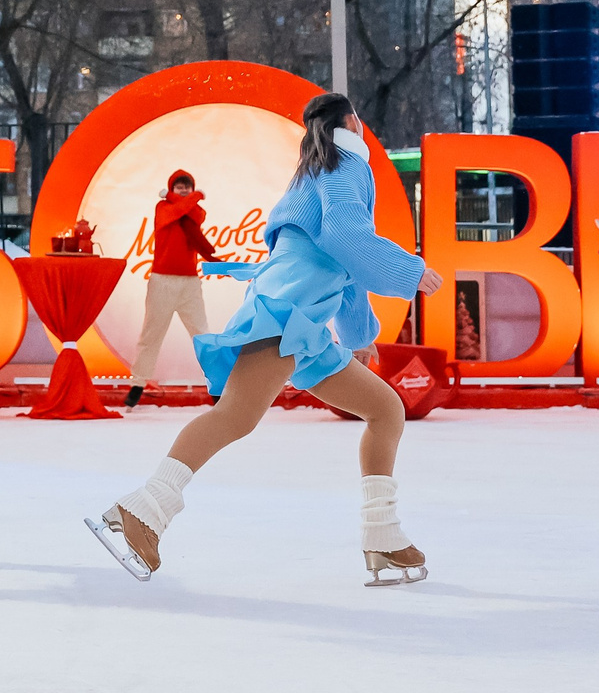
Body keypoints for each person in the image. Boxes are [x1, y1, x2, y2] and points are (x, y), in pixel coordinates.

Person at [87, 92, 443, 588]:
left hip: (304, 324)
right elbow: (348, 240)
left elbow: (342, 264)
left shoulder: (319, 169)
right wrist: (412, 271)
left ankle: (382, 537)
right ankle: (142, 510)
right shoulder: (347, 163)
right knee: (235, 415)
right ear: (351, 124)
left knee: (386, 409)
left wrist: (359, 336)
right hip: (287, 314)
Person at [126, 169, 218, 407]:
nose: (185, 190)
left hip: (189, 282)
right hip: (162, 282)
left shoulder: (193, 210)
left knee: (202, 335)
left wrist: (180, 197)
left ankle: (216, 385)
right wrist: (194, 195)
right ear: (171, 189)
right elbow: (176, 211)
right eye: (179, 187)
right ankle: (138, 383)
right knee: (151, 335)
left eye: (188, 186)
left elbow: (195, 215)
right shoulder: (163, 208)